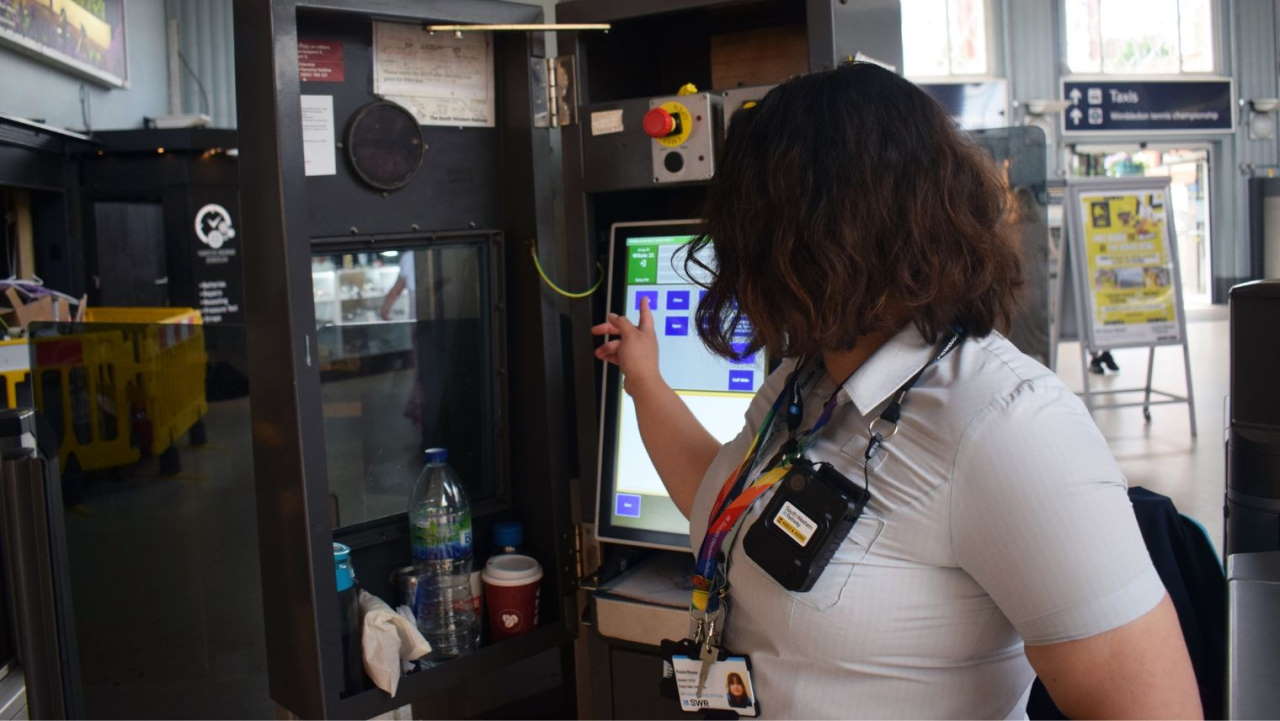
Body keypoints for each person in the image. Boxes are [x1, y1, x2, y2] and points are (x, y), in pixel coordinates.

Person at [592, 63, 1201, 719]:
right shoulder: (805, 380)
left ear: (811, 236)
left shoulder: (1008, 425)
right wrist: (646, 380)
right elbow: (724, 502)